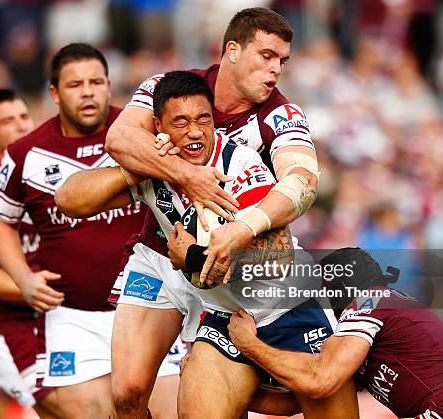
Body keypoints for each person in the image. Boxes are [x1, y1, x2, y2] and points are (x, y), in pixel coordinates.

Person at [102, 7, 357, 418]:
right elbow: (120, 138)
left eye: (282, 61)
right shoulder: (168, 89)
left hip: (241, 271)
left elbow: (303, 181)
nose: (276, 70)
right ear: (233, 51)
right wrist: (187, 175)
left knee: (294, 395)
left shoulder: (281, 114)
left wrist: (242, 228)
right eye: (267, 56)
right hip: (164, 252)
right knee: (128, 392)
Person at [0, 43, 177, 419]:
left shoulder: (141, 134)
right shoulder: (26, 153)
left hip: (151, 308)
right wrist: (23, 279)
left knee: (174, 411)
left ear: (109, 85)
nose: (87, 91)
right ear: (54, 93)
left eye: (96, 82)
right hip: (74, 317)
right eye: (75, 84)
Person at [228, 247, 443, 418]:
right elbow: (295, 400)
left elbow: (320, 379)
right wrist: (228, 390)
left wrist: (248, 344)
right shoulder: (384, 313)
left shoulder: (368, 301)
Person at [0, 89, 62, 418]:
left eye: (23, 117)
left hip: (62, 325)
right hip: (16, 332)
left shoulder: (47, 169)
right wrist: (35, 287)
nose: (20, 126)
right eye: (7, 122)